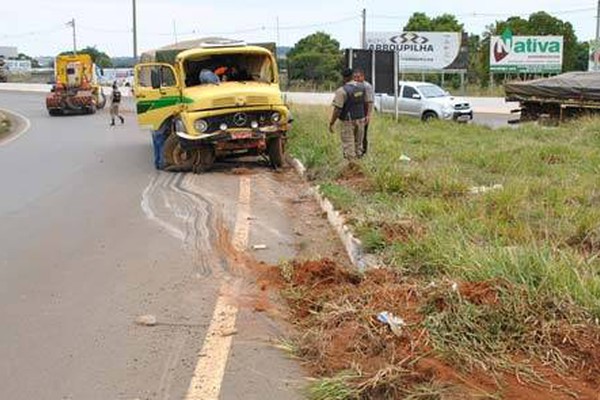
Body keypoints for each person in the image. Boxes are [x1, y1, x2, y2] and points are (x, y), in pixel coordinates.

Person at [329, 68, 367, 160]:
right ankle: (359, 167)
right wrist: (365, 116)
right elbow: (365, 103)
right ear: (352, 76)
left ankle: (352, 170)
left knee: (349, 147)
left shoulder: (342, 91)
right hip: (361, 119)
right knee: (358, 145)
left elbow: (337, 109)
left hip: (347, 121)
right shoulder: (362, 87)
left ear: (344, 78)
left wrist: (332, 122)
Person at [353, 68, 374, 156]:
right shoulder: (355, 86)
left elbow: (369, 102)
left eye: (358, 77)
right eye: (354, 77)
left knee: (363, 134)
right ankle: (355, 151)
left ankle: (363, 152)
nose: (356, 79)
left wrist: (368, 115)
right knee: (355, 134)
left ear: (362, 77)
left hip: (364, 114)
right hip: (356, 114)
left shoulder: (367, 86)